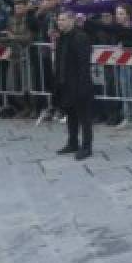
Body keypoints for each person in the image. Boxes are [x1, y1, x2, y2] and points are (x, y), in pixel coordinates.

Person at [54, 9, 94, 160]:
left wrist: (83, 85)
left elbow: (83, 63)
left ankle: (87, 146)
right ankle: (72, 142)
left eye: (63, 20)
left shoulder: (80, 37)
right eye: (59, 20)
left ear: (71, 21)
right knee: (71, 114)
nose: (60, 22)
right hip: (65, 82)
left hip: (79, 82)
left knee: (84, 116)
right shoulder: (61, 37)